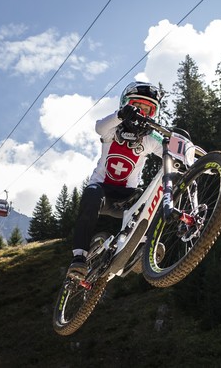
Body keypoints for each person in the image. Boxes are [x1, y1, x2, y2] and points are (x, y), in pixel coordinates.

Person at [67, 81, 164, 279]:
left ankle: (143, 248)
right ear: (126, 104)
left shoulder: (150, 138)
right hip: (102, 190)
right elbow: (99, 127)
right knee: (92, 194)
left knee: (152, 198)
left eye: (147, 109)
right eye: (137, 106)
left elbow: (169, 152)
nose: (141, 112)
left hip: (127, 197)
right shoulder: (112, 130)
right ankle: (79, 258)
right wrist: (121, 115)